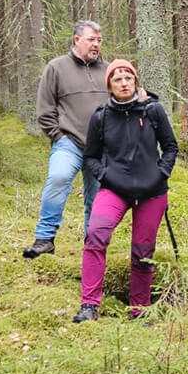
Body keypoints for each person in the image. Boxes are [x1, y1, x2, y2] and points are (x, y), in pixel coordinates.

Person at [74, 60, 178, 323]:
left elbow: (170, 147)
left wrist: (161, 173)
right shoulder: (101, 116)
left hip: (152, 193)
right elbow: (91, 158)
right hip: (115, 189)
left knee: (143, 252)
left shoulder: (153, 111)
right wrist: (106, 176)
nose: (123, 83)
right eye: (117, 79)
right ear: (109, 85)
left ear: (135, 82)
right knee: (95, 236)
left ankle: (139, 309)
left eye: (128, 78)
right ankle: (89, 305)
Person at [24, 20, 109, 258]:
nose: (96, 45)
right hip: (69, 142)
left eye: (99, 40)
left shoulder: (109, 70)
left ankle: (93, 245)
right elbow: (45, 107)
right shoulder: (56, 67)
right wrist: (57, 135)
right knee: (58, 178)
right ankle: (44, 239)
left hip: (102, 148)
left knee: (98, 198)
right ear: (77, 39)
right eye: (91, 39)